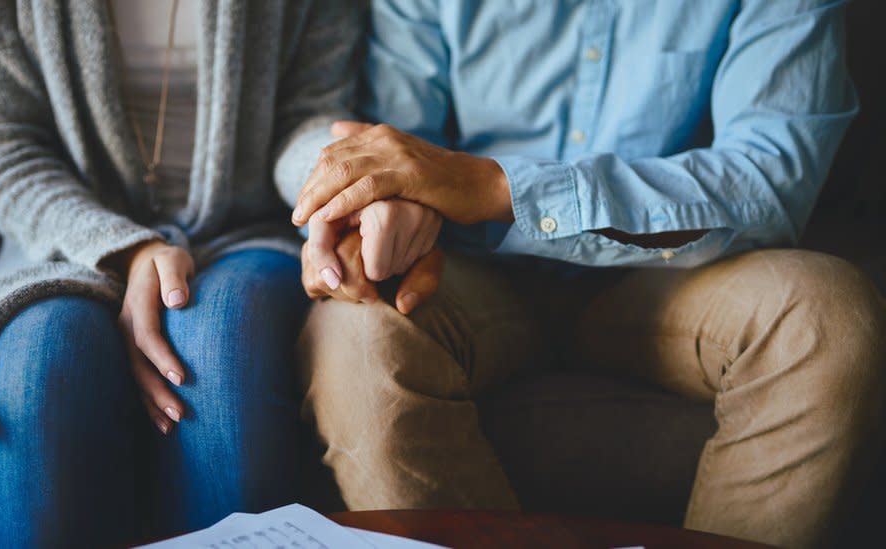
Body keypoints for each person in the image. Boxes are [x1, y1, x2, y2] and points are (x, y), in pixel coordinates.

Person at [289, 1, 886, 547]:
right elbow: (391, 141)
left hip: (673, 274)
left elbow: (769, 180)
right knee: (355, 333)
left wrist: (496, 187)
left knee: (826, 316)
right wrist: (382, 207)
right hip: (470, 271)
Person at [0, 1, 363, 547]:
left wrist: (339, 179)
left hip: (246, 228)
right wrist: (122, 248)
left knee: (223, 338)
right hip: (62, 237)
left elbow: (310, 116)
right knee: (41, 356)